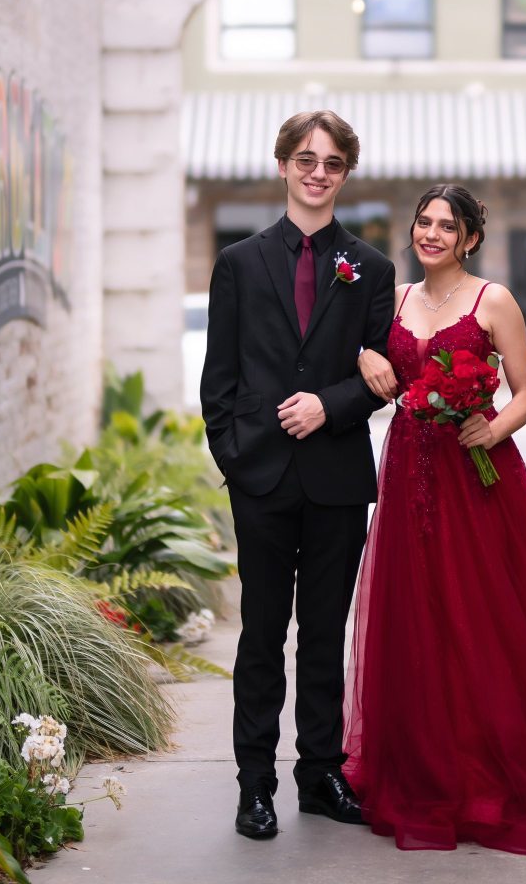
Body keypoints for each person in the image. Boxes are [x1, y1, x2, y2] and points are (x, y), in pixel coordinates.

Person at [343, 183, 526, 853]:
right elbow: (363, 355)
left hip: (476, 472)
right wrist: (366, 354)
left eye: (447, 226)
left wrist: (493, 426)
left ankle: (493, 772)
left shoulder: (493, 300)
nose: (431, 234)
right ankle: (428, 767)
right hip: (408, 470)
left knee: (482, 615)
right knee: (417, 616)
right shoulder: (394, 298)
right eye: (424, 222)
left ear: (471, 238)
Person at [200, 110, 395, 840]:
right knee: (260, 635)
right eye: (306, 160)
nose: (318, 173)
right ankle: (255, 784)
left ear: (346, 173)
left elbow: (383, 375)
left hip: (337, 478)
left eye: (333, 162)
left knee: (323, 635)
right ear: (283, 164)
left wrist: (329, 406)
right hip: (262, 479)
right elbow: (219, 379)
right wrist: (236, 458)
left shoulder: (371, 269)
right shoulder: (238, 263)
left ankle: (320, 776)